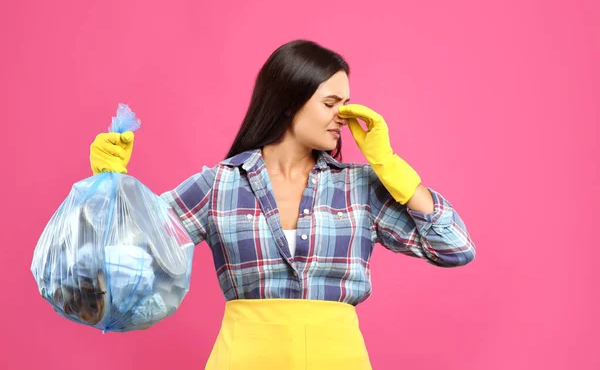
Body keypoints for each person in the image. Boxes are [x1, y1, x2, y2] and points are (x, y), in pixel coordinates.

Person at [89, 40, 476, 369]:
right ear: (291, 102)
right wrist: (109, 185)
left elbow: (455, 248)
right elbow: (128, 261)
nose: (343, 117)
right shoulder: (219, 185)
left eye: (346, 104)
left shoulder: (358, 187)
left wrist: (392, 168)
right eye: (330, 103)